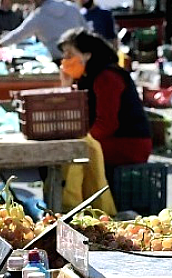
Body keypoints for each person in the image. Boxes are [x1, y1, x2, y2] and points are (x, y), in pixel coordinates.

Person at [58, 28, 151, 172]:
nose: (65, 59)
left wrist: (82, 141)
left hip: (129, 144)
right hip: (110, 140)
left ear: (87, 55)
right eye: (64, 54)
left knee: (70, 158)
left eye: (70, 54)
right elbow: (74, 116)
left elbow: (107, 125)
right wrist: (66, 86)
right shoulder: (86, 78)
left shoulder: (107, 77)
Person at [0, 0, 86, 62]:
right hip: (82, 57)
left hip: (61, 60)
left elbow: (18, 34)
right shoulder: (71, 7)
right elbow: (87, 29)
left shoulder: (38, 16)